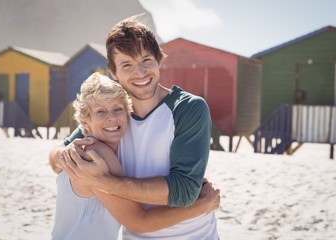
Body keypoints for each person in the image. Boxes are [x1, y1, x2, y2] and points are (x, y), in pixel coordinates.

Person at [49, 15, 219, 239]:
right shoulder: (116, 117)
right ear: (113, 71)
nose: (140, 73)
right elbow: (58, 155)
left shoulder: (187, 108)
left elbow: (184, 191)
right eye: (127, 65)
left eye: (146, 60)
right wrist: (62, 153)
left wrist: (103, 182)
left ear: (159, 60)